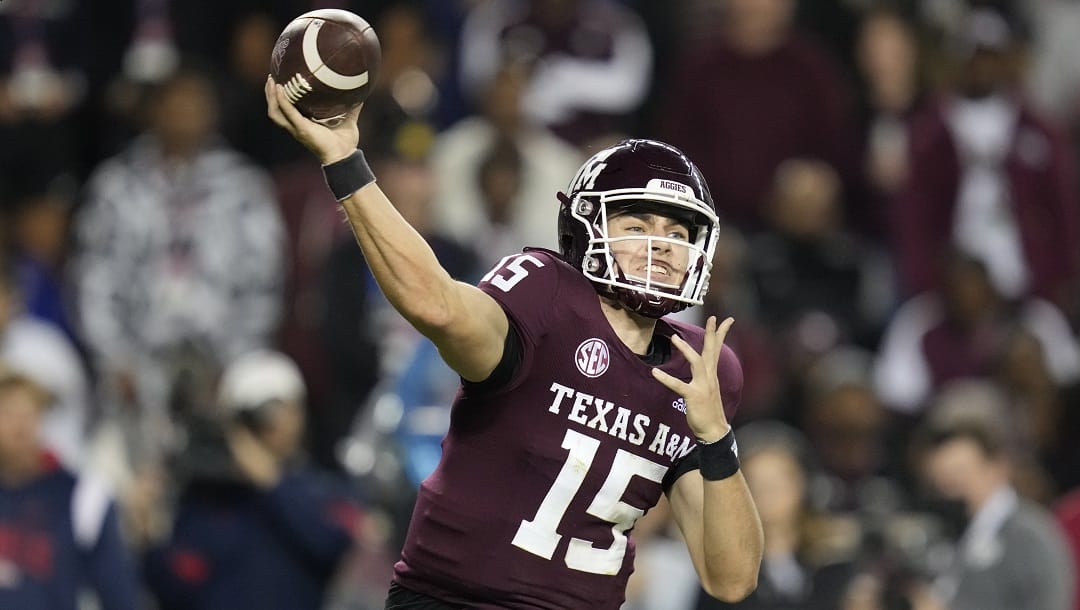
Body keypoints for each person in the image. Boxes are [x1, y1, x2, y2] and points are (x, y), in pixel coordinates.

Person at [265, 76, 764, 608]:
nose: (659, 245)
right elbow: (439, 305)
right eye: (637, 222)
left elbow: (730, 578)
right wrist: (346, 162)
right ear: (587, 228)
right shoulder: (546, 295)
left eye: (677, 232)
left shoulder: (700, 369)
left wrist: (715, 439)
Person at [140, 349, 363, 610]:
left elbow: (330, 545)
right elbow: (178, 590)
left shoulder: (319, 490)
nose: (272, 424)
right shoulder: (210, 499)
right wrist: (150, 542)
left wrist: (270, 479)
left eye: (278, 408)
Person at [0, 364, 139, 610]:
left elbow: (119, 595)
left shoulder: (83, 498)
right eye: (8, 413)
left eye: (28, 414)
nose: (19, 427)